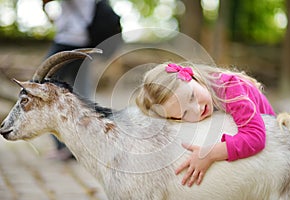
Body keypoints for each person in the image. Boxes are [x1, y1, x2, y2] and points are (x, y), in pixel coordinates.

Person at [136, 62, 275, 187]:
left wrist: (209, 154)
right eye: (184, 114)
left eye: (191, 96)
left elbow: (256, 137)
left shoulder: (231, 88)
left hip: (274, 155)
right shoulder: (199, 100)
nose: (197, 109)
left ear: (194, 77)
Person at [42, 0, 121, 160]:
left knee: (40, 88)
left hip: (68, 41)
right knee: (81, 95)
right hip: (83, 42)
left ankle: (65, 146)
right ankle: (88, 145)